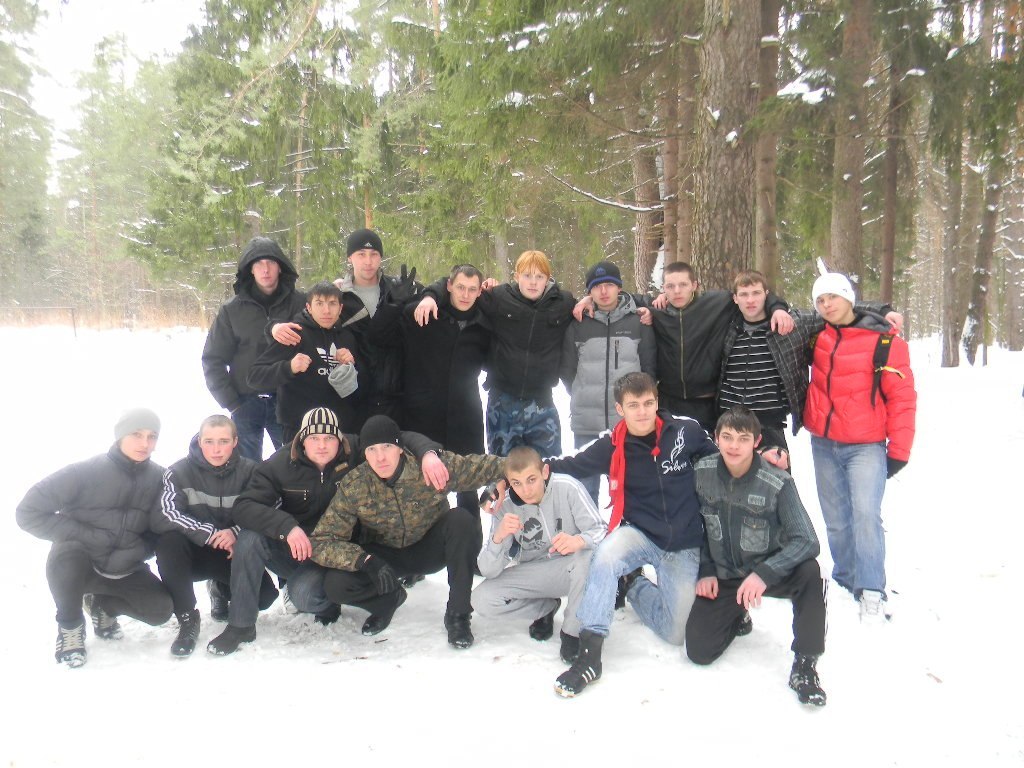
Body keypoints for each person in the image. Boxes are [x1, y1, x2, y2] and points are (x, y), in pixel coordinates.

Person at [206, 407, 447, 655]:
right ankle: (241, 626)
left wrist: (429, 454)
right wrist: (287, 527)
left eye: (329, 438)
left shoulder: (355, 451)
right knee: (250, 537)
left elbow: (399, 437)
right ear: (302, 439)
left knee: (303, 596)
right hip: (296, 547)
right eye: (314, 438)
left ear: (339, 439)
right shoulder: (281, 464)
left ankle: (329, 602)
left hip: (336, 552)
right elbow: (245, 506)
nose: (322, 445)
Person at [542, 372, 719, 697]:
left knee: (676, 632)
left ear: (657, 401)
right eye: (634, 405)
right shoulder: (612, 445)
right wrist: (514, 472)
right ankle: (590, 654)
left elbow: (721, 461)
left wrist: (760, 459)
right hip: (639, 533)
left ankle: (634, 584)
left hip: (683, 542)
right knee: (604, 557)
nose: (643, 411)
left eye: (648, 403)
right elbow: (570, 464)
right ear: (620, 409)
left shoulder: (686, 431)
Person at [310, 415, 507, 649]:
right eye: (372, 449)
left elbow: (484, 467)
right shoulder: (355, 484)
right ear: (365, 454)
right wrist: (364, 560)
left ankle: (458, 614)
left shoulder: (428, 468)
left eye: (387, 447)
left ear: (400, 448)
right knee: (335, 584)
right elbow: (322, 540)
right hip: (386, 558)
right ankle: (386, 602)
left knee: (461, 520)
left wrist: (512, 473)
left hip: (429, 549)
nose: (380, 457)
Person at [685, 407, 827, 707]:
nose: (734, 446)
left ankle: (806, 664)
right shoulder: (701, 473)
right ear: (716, 438)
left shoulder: (777, 482)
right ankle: (738, 613)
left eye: (743, 438)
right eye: (727, 437)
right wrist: (706, 568)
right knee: (699, 651)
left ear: (757, 441)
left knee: (810, 572)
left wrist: (765, 573)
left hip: (768, 569)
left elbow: (807, 540)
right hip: (725, 573)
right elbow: (693, 525)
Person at [17, 409, 174, 668]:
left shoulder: (161, 478)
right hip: (81, 562)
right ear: (120, 435)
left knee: (160, 611)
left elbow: (162, 526)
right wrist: (85, 536)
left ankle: (102, 607)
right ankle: (70, 627)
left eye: (152, 436)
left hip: (125, 567)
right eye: (136, 434)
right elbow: (28, 512)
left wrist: (140, 549)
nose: (145, 443)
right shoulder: (85, 472)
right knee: (66, 557)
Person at [803, 272, 916, 622]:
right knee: (836, 519)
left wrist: (899, 450)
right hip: (824, 443)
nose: (827, 305)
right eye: (821, 300)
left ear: (849, 298)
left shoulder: (885, 341)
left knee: (866, 515)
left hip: (866, 445)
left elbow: (902, 398)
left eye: (833, 297)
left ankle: (870, 589)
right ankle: (845, 578)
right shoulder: (817, 336)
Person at [718, 269, 900, 461]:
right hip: (729, 421)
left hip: (770, 423)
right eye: (744, 295)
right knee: (725, 477)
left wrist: (882, 310)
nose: (750, 300)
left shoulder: (792, 324)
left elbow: (841, 309)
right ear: (735, 298)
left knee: (776, 476)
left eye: (756, 293)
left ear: (767, 295)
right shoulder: (726, 327)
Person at [415, 250, 575, 457]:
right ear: (517, 276)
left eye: (539, 276)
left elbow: (595, 304)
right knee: (501, 467)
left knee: (547, 466)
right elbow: (459, 286)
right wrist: (430, 296)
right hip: (503, 400)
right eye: (527, 275)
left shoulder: (563, 303)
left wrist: (587, 301)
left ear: (548, 278)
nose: (533, 282)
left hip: (541, 401)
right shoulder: (499, 297)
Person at [151, 415, 278, 657]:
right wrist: (209, 534)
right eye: (209, 441)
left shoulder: (252, 471)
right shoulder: (177, 472)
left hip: (232, 553)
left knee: (264, 598)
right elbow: (166, 513)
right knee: (168, 542)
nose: (216, 449)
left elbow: (271, 506)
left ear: (235, 442)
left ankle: (220, 590)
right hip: (194, 551)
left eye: (223, 441)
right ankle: (188, 619)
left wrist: (236, 533)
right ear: (200, 441)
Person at [369, 263, 491, 511]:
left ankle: (469, 536)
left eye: (472, 289)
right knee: (424, 496)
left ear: (480, 292)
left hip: (465, 418)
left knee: (467, 494)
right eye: (460, 287)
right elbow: (378, 336)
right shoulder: (424, 315)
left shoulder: (484, 324)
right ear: (449, 286)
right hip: (423, 418)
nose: (465, 295)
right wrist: (393, 304)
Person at [271, 229, 418, 429]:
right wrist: (273, 327)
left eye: (374, 254)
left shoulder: (399, 288)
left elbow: (442, 295)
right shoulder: (337, 296)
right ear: (350, 257)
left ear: (381, 257)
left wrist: (429, 297)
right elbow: (302, 317)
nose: (368, 261)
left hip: (396, 395)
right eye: (361, 254)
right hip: (353, 398)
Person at [472, 446, 606, 662]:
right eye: (517, 483)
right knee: (481, 599)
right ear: (508, 482)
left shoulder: (568, 487)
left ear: (544, 472)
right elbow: (489, 570)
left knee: (587, 558)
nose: (526, 490)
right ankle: (544, 608)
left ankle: (572, 632)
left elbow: (600, 531)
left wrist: (578, 541)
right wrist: (498, 537)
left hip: (572, 568)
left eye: (531, 480)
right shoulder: (506, 507)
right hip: (535, 573)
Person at [644, 262, 792, 434]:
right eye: (670, 286)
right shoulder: (658, 311)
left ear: (694, 285)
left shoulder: (717, 303)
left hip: (707, 404)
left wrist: (778, 308)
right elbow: (628, 301)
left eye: (683, 284)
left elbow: (751, 294)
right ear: (663, 288)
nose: (677, 291)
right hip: (668, 403)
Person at [560, 260, 656, 503]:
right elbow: (568, 370)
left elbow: (649, 369)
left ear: (619, 287)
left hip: (627, 425)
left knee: (631, 491)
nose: (603, 291)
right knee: (584, 494)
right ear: (589, 292)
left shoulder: (638, 322)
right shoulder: (578, 324)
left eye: (609, 285)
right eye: (596, 286)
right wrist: (582, 393)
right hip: (587, 425)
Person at [202, 237, 306, 460]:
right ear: (250, 269)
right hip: (245, 403)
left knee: (293, 465)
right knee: (247, 471)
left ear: (280, 266)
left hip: (287, 402)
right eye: (258, 263)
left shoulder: (300, 304)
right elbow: (213, 359)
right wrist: (232, 403)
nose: (265, 269)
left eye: (271, 262)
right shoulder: (232, 310)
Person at [247, 281, 360, 439]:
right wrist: (289, 367)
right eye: (319, 303)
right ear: (309, 307)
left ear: (340, 308)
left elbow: (360, 388)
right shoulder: (294, 335)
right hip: (299, 429)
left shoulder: (347, 337)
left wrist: (351, 365)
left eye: (332, 303)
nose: (326, 310)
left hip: (338, 429)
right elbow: (254, 377)